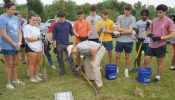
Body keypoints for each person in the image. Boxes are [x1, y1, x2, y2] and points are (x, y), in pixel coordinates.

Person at [143, 4, 175, 83]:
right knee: (146, 60)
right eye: (157, 12)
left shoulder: (169, 21)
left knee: (159, 62)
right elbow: (150, 30)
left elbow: (172, 35)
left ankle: (157, 78)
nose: (158, 14)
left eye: (160, 12)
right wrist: (150, 34)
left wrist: (160, 38)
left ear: (165, 12)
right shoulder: (154, 20)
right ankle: (146, 75)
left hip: (161, 45)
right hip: (152, 44)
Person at [0, 0, 25, 90]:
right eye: (12, 9)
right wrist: (14, 44)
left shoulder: (15, 18)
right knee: (9, 64)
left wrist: (19, 42)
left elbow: (19, 31)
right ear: (6, 9)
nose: (14, 11)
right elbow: (3, 34)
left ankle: (15, 80)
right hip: (7, 45)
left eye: (15, 9)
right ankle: (8, 83)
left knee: (16, 63)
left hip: (16, 44)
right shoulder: (2, 18)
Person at [52, 10, 79, 76]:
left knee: (70, 58)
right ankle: (62, 70)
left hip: (67, 44)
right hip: (59, 44)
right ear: (58, 17)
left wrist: (72, 43)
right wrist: (55, 46)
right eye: (60, 17)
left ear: (64, 17)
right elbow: (54, 37)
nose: (61, 19)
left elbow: (72, 34)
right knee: (60, 58)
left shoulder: (68, 24)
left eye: (63, 17)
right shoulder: (55, 25)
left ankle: (74, 71)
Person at [23, 13, 44, 82]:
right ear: (29, 19)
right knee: (32, 63)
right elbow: (28, 39)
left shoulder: (36, 27)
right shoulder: (26, 27)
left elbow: (39, 37)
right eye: (33, 20)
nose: (35, 21)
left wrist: (42, 37)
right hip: (31, 47)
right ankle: (31, 77)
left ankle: (36, 75)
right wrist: (38, 38)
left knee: (37, 63)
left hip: (38, 47)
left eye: (36, 20)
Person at [115, 4, 136, 77]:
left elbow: (130, 31)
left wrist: (120, 32)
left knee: (127, 56)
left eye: (128, 10)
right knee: (117, 56)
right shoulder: (119, 17)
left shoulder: (132, 18)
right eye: (125, 10)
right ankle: (117, 69)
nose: (126, 11)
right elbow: (118, 28)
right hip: (119, 40)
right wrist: (127, 30)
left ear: (130, 10)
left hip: (128, 41)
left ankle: (126, 71)